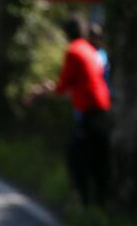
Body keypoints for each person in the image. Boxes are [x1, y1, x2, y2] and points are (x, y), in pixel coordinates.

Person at [32, 13, 111, 206]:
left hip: (90, 110)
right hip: (100, 108)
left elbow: (62, 86)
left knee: (77, 158)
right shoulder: (88, 49)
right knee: (96, 158)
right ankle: (97, 204)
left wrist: (44, 90)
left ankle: (85, 203)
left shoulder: (74, 51)